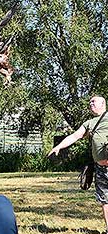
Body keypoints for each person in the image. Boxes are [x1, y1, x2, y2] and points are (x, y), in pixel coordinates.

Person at [48, 95, 108, 233]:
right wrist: (59, 146)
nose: (90, 103)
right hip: (100, 168)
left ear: (103, 103)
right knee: (104, 200)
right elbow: (75, 136)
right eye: (90, 102)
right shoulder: (90, 123)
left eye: (94, 101)